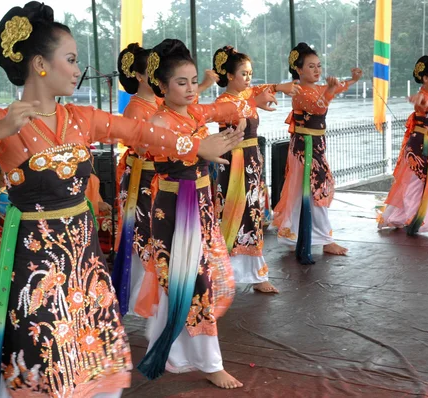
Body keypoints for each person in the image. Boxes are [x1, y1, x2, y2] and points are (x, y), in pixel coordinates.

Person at [0, 3, 244, 397]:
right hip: (35, 260)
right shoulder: (6, 123)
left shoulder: (81, 118)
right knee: (41, 343)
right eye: (70, 59)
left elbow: (141, 133)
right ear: (40, 63)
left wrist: (194, 145)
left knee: (90, 341)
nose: (77, 69)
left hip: (85, 254)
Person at [134, 39, 277, 390]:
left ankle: (167, 349)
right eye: (181, 82)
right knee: (192, 282)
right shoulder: (157, 119)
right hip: (174, 210)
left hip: (200, 204)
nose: (190, 88)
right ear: (162, 86)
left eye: (193, 80)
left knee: (200, 280)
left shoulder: (197, 112)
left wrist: (238, 127)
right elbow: (155, 153)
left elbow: (224, 110)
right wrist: (202, 150)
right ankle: (208, 362)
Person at [113, 42, 219, 317]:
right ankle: (142, 298)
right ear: (141, 76)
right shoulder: (138, 109)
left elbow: (190, 108)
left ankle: (157, 301)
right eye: (150, 70)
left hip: (166, 178)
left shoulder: (163, 105)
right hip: (145, 179)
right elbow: (142, 144)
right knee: (148, 241)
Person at [212, 45, 300, 294]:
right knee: (232, 213)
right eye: (243, 73)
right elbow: (238, 118)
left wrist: (281, 88)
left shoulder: (246, 95)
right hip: (234, 163)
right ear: (229, 75)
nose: (249, 78)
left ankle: (255, 273)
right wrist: (253, 102)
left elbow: (265, 89)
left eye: (251, 73)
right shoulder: (224, 101)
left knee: (252, 214)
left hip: (251, 162)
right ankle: (225, 270)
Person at [273, 43, 362, 264]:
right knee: (315, 190)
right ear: (299, 70)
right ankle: (322, 238)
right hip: (306, 147)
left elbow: (338, 87)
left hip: (317, 144)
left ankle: (295, 236)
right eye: (311, 66)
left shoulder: (318, 87)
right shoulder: (298, 91)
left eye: (319, 66)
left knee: (311, 191)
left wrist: (353, 80)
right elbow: (318, 107)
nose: (317, 70)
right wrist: (330, 91)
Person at [378, 55, 428, 237]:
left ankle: (403, 218)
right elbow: (423, 103)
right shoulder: (424, 97)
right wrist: (418, 101)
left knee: (415, 185)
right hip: (419, 149)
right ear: (425, 78)